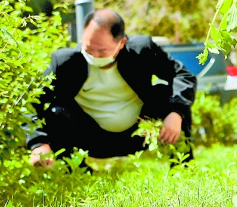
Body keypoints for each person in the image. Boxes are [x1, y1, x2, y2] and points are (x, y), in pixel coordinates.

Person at [28, 9, 196, 166]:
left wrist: (176, 113)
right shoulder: (65, 62)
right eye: (88, 47)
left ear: (122, 43)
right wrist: (38, 143)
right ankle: (75, 173)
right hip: (91, 139)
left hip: (139, 134)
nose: (94, 55)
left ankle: (182, 165)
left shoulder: (141, 50)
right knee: (56, 113)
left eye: (102, 51)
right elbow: (33, 102)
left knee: (172, 97)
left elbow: (183, 75)